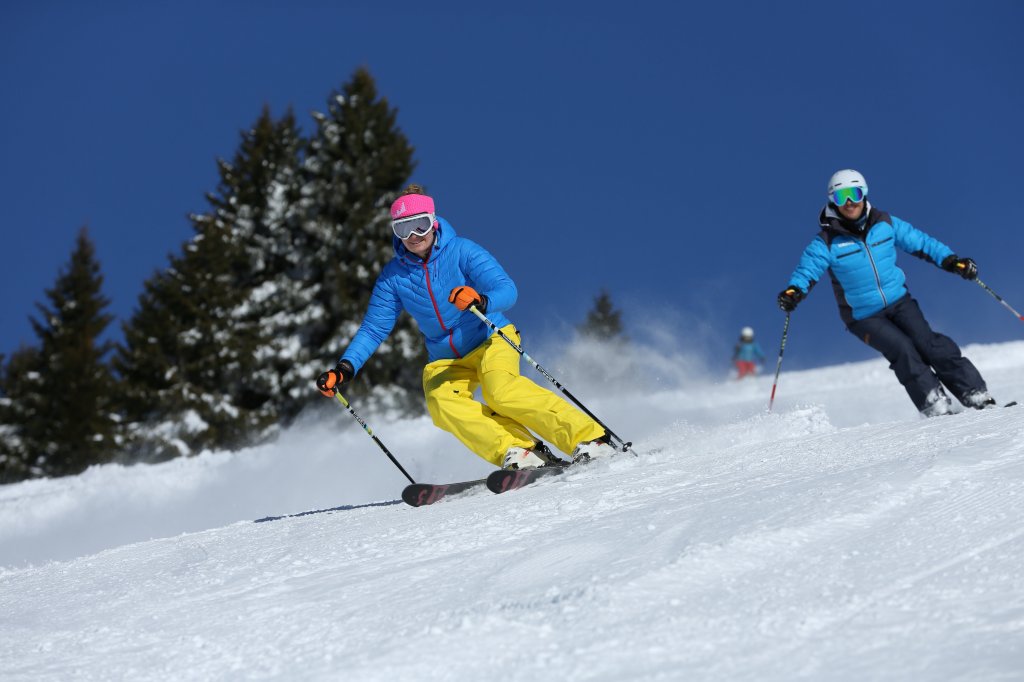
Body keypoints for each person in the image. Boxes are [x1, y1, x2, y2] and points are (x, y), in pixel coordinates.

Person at [316, 184, 616, 470]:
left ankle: (590, 438)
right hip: (446, 357)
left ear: (433, 222)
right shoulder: (393, 277)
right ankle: (521, 450)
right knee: (441, 403)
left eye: (420, 224)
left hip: (491, 337)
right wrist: (345, 368)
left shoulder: (462, 250)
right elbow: (373, 329)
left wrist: (481, 300)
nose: (414, 235)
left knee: (501, 391)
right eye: (403, 228)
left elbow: (507, 290)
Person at [776, 169, 996, 417]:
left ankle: (975, 393)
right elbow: (808, 269)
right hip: (863, 316)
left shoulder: (885, 223)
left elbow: (920, 242)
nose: (849, 203)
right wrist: (794, 291)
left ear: (864, 194)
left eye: (854, 194)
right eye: (841, 197)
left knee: (930, 344)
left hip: (899, 301)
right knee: (902, 349)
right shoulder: (826, 241)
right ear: (832, 201)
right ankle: (935, 404)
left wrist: (951, 261)